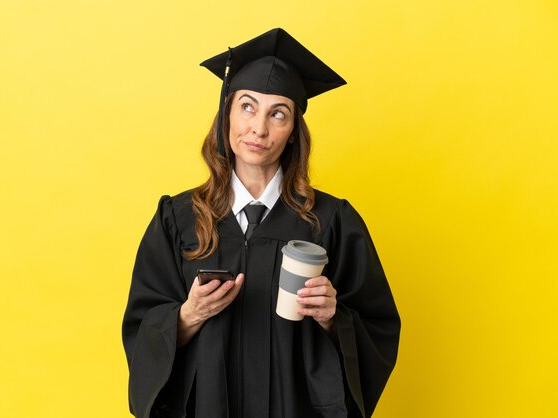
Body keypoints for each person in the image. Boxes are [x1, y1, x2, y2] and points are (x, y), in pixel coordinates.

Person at [122, 28, 400, 418]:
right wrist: (188, 316)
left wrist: (333, 318)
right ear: (227, 116)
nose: (259, 128)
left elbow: (378, 328)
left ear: (292, 134)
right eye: (248, 107)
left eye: (278, 114)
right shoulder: (178, 218)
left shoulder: (331, 222)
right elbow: (141, 327)